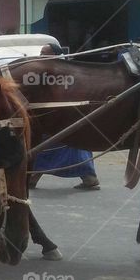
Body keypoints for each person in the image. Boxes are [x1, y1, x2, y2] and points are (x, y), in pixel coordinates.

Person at [29, 42, 100, 190]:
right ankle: (88, 177)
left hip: (66, 117)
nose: (41, 56)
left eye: (45, 53)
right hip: (52, 117)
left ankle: (33, 177)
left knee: (51, 146)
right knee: (44, 145)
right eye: (41, 53)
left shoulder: (65, 72)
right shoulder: (42, 72)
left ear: (55, 55)